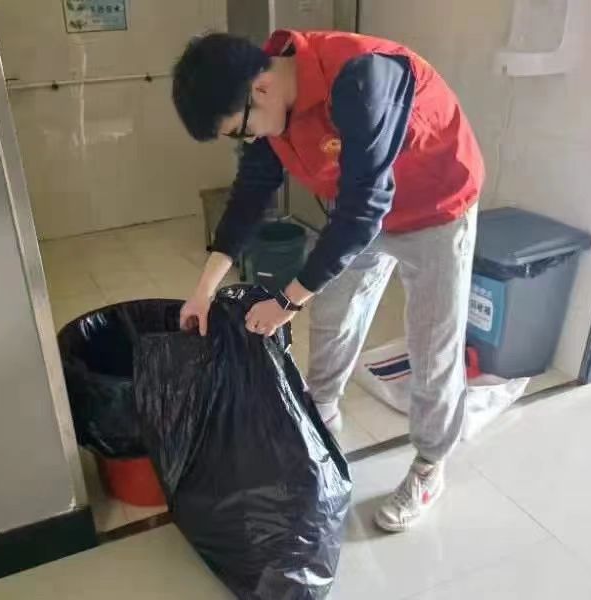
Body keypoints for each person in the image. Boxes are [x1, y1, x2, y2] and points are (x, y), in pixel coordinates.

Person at [171, 29, 484, 533]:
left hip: (436, 208)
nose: (247, 140)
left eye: (240, 131)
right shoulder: (269, 96)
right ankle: (320, 421)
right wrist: (204, 289)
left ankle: (430, 466)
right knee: (335, 317)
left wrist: (287, 301)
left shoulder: (362, 78)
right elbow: (252, 191)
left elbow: (363, 212)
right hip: (362, 209)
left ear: (261, 90)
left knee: (433, 344)